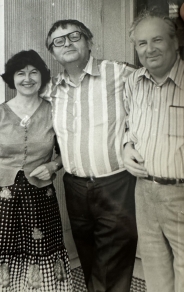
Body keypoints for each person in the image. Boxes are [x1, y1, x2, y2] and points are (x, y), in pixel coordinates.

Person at [41, 19, 138, 292]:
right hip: (74, 187)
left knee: (114, 264)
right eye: (58, 41)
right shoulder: (51, 90)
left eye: (74, 36)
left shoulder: (119, 73)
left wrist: (130, 141)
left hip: (115, 184)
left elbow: (149, 106)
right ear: (53, 52)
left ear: (89, 41)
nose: (67, 43)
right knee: (88, 258)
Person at [0, 50, 72, 292]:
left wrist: (54, 165)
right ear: (12, 78)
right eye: (20, 73)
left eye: (34, 72)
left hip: (39, 195)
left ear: (42, 77)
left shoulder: (53, 111)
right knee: (0, 247)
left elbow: (68, 150)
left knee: (41, 247)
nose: (27, 78)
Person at [123, 9, 184, 292]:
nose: (149, 49)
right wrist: (126, 147)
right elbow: (129, 128)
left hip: (180, 193)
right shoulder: (134, 82)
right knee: (154, 266)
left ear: (175, 42)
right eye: (141, 43)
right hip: (144, 191)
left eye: (157, 40)